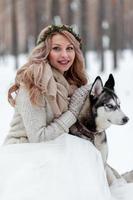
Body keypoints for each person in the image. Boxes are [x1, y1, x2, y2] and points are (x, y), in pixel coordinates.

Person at [1, 24, 133, 200]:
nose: (65, 55)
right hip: (26, 154)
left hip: (55, 148)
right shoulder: (32, 84)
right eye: (56, 48)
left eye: (70, 48)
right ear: (44, 51)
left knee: (89, 155)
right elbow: (37, 137)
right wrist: (71, 113)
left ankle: (117, 183)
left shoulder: (68, 84)